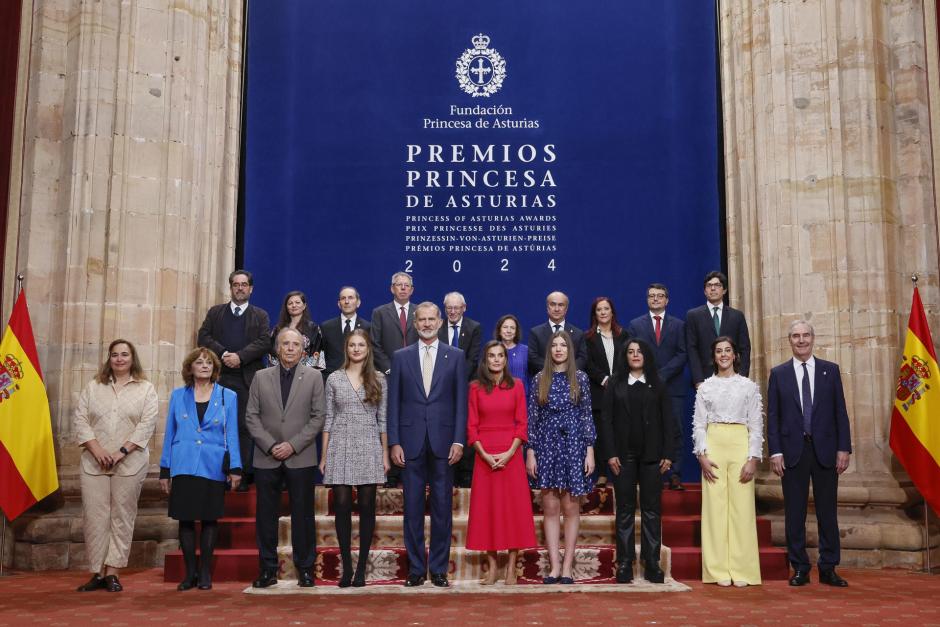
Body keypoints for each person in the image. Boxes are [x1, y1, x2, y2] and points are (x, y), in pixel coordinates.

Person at [387, 302, 468, 588]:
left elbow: (461, 403)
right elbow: (393, 403)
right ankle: (416, 570)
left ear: (440, 321)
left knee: (443, 508)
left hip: (445, 443)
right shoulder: (400, 356)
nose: (426, 323)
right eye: (421, 319)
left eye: (431, 319)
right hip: (409, 444)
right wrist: (394, 441)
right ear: (414, 322)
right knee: (412, 508)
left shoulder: (455, 356)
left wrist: (459, 439)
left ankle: (439, 569)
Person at [767, 320, 852, 588]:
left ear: (813, 338)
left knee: (828, 512)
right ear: (789, 341)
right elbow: (773, 417)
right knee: (795, 513)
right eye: (795, 336)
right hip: (792, 452)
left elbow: (841, 412)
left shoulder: (830, 370)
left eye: (805, 335)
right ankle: (800, 567)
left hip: (826, 450)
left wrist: (844, 448)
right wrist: (775, 451)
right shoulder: (778, 374)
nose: (801, 340)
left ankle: (828, 567)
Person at [74, 339, 158, 593]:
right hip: (94, 461)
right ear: (109, 359)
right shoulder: (93, 387)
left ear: (133, 359)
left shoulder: (146, 389)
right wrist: (97, 449)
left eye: (124, 355)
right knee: (95, 517)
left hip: (130, 462)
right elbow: (80, 419)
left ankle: (113, 572)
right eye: (115, 355)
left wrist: (121, 451)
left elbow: (147, 423)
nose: (119, 359)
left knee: (122, 517)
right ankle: (97, 572)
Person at [245, 328, 326, 588]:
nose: (290, 348)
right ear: (277, 349)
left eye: (295, 344)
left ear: (303, 350)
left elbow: (318, 417)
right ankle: (267, 570)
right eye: (285, 344)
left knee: (303, 516)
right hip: (266, 458)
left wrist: (292, 445)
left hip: (300, 457)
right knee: (265, 517)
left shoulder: (314, 377)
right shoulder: (260, 377)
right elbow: (251, 417)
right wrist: (271, 446)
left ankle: (305, 569)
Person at [159, 348, 242, 590]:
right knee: (185, 520)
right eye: (199, 362)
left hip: (212, 465)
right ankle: (190, 573)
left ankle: (205, 572)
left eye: (208, 363)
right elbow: (169, 434)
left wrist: (235, 467)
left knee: (209, 520)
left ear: (214, 368)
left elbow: (233, 434)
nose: (204, 366)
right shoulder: (177, 396)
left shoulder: (228, 396)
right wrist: (165, 469)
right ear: (190, 367)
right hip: (183, 464)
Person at [600, 339, 674, 584]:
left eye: (639, 351)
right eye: (630, 352)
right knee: (625, 509)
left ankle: (652, 562)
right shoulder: (614, 384)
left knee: (652, 511)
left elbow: (669, 422)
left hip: (653, 457)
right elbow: (606, 422)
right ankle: (625, 563)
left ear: (646, 356)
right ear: (625, 357)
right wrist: (610, 453)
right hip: (623, 457)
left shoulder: (658, 384)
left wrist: (668, 453)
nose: (635, 355)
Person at [319, 330, 389, 587]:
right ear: (346, 348)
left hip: (369, 443)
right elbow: (328, 418)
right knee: (342, 506)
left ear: (368, 349)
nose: (356, 349)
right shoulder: (334, 378)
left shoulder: (379, 378)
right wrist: (324, 454)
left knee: (368, 506)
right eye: (352, 345)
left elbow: (383, 420)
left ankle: (362, 569)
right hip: (340, 443)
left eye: (361, 345)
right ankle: (346, 567)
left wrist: (384, 454)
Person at [526, 331, 595, 585]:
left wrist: (590, 450)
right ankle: (554, 567)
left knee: (571, 507)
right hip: (546, 446)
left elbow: (587, 415)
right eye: (553, 345)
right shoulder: (538, 379)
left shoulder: (580, 378)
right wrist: (531, 452)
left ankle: (568, 567)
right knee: (551, 508)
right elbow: (532, 417)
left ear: (569, 350)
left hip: (574, 445)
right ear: (549, 351)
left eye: (562, 345)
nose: (558, 349)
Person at [692, 336, 762, 587]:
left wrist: (753, 458)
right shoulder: (706, 387)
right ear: (714, 357)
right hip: (714, 443)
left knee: (742, 509)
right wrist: (702, 455)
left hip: (740, 442)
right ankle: (717, 570)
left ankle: (742, 570)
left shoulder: (748, 387)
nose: (723, 355)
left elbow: (756, 425)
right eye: (719, 351)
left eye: (728, 350)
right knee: (714, 509)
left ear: (735, 355)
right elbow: (699, 424)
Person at [465, 341, 537, 585]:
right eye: (491, 356)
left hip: (511, 455)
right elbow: (472, 426)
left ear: (506, 360)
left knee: (513, 511)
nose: (496, 360)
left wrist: (509, 453)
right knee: (488, 511)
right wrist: (484, 455)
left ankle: (511, 568)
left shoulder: (516, 386)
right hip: (484, 456)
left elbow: (522, 423)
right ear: (485, 360)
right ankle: (493, 567)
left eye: (500, 356)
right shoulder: (475, 388)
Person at [198, 269, 271, 490]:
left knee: (244, 427)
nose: (240, 288)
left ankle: (242, 473)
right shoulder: (215, 313)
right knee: (217, 425)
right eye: (236, 284)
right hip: (218, 378)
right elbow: (204, 336)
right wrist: (224, 354)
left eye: (244, 284)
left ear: (251, 289)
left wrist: (240, 356)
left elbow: (264, 342)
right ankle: (217, 472)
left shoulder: (260, 315)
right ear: (230, 287)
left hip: (248, 380)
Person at [626, 283, 688, 491]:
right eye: (651, 296)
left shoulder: (679, 325)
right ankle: (649, 474)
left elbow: (682, 354)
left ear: (666, 300)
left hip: (673, 387)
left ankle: (675, 474)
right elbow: (632, 354)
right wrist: (651, 376)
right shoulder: (635, 325)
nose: (655, 299)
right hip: (644, 387)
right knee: (647, 430)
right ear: (647, 299)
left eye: (659, 296)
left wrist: (661, 375)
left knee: (675, 430)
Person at [583, 296, 628, 484]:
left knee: (621, 431)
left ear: (612, 312)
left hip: (621, 390)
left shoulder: (623, 335)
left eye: (606, 309)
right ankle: (602, 473)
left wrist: (616, 380)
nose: (603, 312)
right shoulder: (588, 338)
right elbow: (588, 363)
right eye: (599, 310)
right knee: (601, 433)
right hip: (599, 391)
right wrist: (604, 379)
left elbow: (629, 359)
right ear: (595, 314)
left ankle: (622, 470)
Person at [439, 291, 481, 487]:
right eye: (449, 308)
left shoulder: (474, 328)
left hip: (465, 387)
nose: (453, 311)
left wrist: (456, 381)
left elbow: (472, 359)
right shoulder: (437, 327)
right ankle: (445, 468)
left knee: (465, 427)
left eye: (457, 308)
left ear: (464, 308)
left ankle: (465, 472)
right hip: (439, 388)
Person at [686, 271, 751, 388]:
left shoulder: (737, 316)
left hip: (734, 379)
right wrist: (698, 380)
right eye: (709, 286)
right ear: (704, 291)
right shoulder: (693, 316)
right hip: (705, 380)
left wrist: (742, 377)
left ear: (724, 290)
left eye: (717, 285)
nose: (713, 288)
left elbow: (745, 348)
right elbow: (692, 349)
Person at [527, 291, 588, 376]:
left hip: (571, 379)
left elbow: (582, 358)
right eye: (553, 304)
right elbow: (533, 358)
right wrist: (554, 370)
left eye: (561, 305)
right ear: (547, 307)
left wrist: (566, 371)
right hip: (544, 379)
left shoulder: (578, 333)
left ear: (566, 309)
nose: (556, 309)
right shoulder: (535, 332)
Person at [370, 271, 418, 376]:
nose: (403, 288)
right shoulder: (379, 312)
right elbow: (374, 344)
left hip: (416, 371)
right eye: (399, 285)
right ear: (392, 288)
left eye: (407, 285)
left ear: (411, 290)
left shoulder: (420, 312)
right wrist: (388, 368)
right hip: (388, 373)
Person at [320, 286, 371, 380]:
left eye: (350, 298)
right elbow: (321, 358)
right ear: (339, 304)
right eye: (343, 298)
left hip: (361, 379)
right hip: (331, 380)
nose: (347, 301)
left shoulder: (368, 328)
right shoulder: (326, 327)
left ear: (358, 303)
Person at [269, 290, 323, 369]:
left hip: (306, 374)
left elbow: (317, 354)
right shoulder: (278, 329)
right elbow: (272, 354)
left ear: (304, 306)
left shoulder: (313, 328)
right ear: (286, 307)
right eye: (290, 303)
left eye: (297, 302)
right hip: (281, 374)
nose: (294, 305)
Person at [494, 314, 529, 396]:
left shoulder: (525, 350)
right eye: (505, 327)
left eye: (512, 328)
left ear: (516, 332)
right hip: (498, 396)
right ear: (499, 330)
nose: (508, 331)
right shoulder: (492, 350)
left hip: (521, 397)